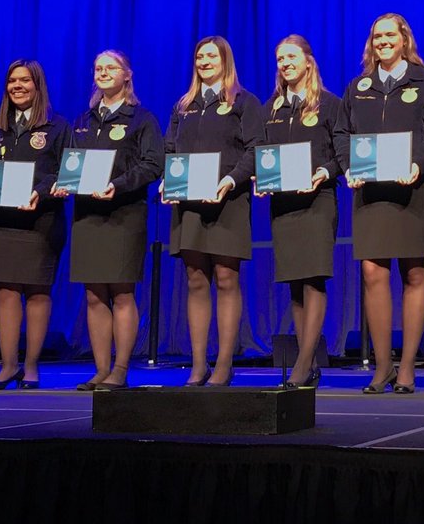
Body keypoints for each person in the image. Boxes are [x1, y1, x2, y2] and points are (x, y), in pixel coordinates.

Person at [336, 13, 424, 394]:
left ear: (404, 39)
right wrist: (348, 167)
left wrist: (419, 164)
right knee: (372, 273)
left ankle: (408, 366)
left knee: (414, 274)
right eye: (377, 36)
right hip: (371, 194)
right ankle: (382, 367)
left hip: (412, 189)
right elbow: (342, 134)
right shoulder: (358, 86)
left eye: (389, 35)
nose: (383, 41)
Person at [54, 50, 163, 391]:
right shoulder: (83, 119)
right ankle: (101, 370)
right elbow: (71, 163)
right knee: (93, 295)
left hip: (124, 215)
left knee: (121, 293)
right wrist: (63, 182)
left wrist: (116, 186)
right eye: (98, 68)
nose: (102, 72)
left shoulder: (141, 118)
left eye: (110, 67)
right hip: (87, 215)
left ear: (127, 75)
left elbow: (152, 165)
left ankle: (120, 369)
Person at [163, 36, 262, 387]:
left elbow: (255, 149)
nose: (204, 61)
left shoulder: (243, 102)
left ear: (225, 60)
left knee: (225, 277)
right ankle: (197, 363)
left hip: (228, 201)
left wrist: (232, 181)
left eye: (211, 56)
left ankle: (223, 363)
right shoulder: (183, 105)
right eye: (199, 56)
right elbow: (170, 150)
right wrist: (167, 181)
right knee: (195, 278)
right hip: (189, 203)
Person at [0, 60, 71, 390]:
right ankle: (7, 366)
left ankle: (30, 367)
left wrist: (40, 192)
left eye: (25, 80)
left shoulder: (58, 126)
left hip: (41, 221)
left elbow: (65, 172)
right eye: (12, 80)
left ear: (37, 85)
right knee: (4, 292)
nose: (17, 86)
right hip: (0, 223)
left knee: (36, 293)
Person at [258, 34, 342, 389]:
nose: (285, 63)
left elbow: (342, 153)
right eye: (279, 59)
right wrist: (260, 178)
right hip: (284, 204)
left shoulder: (330, 104)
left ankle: (303, 365)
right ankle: (307, 365)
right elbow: (261, 153)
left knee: (314, 277)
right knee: (295, 283)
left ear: (308, 60)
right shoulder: (271, 109)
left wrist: (323, 173)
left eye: (291, 56)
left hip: (317, 201)